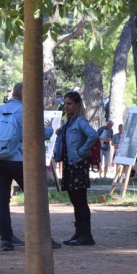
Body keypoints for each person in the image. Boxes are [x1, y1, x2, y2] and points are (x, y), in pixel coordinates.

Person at [0, 83, 62, 252]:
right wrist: (52, 130)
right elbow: (39, 133)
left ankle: (6, 239)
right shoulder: (25, 111)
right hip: (19, 160)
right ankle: (43, 238)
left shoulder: (0, 109)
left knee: (2, 200)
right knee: (36, 199)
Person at [53, 91, 99, 246]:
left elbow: (93, 135)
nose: (66, 106)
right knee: (74, 200)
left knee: (80, 200)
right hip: (69, 164)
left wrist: (82, 151)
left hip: (77, 164)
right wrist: (60, 133)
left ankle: (86, 234)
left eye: (69, 104)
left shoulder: (80, 121)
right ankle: (79, 232)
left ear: (77, 104)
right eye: (65, 103)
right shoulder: (69, 122)